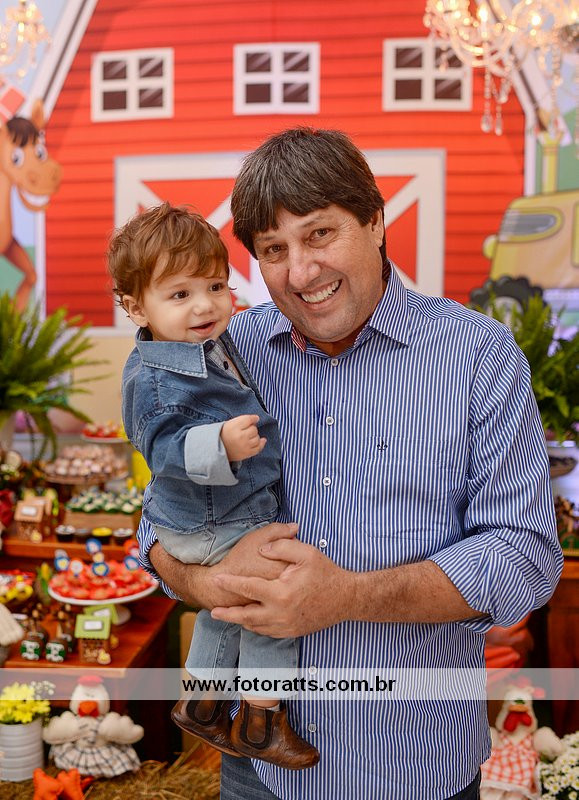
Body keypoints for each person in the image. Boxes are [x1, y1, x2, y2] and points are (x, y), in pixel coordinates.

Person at [136, 128, 563, 800]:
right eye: (274, 250)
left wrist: (348, 597)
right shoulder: (227, 350)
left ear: (375, 221)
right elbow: (155, 522)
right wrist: (204, 582)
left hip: (415, 768)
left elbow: (525, 557)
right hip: (257, 771)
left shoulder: (478, 355)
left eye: (320, 234)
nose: (301, 272)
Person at [107, 203, 319, 769]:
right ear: (135, 307)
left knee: (223, 611)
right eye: (180, 294)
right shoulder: (156, 376)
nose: (204, 305)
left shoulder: (206, 345)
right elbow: (160, 447)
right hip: (212, 520)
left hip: (214, 513)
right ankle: (261, 721)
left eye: (216, 287)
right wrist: (217, 443)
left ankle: (201, 704)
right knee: (272, 603)